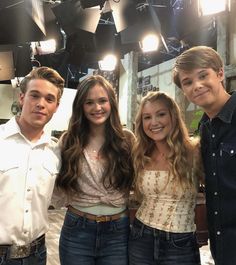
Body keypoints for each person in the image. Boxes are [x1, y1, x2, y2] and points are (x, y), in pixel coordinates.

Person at [55, 75, 134, 265]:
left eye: (102, 101)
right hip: (77, 230)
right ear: (81, 106)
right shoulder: (68, 141)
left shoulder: (127, 140)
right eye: (89, 102)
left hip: (118, 231)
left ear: (111, 103)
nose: (97, 108)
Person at [173, 45, 236, 265]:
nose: (196, 86)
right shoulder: (205, 129)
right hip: (223, 249)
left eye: (203, 75)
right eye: (187, 82)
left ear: (220, 73)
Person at [129, 91, 203, 265]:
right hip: (141, 237)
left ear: (173, 116)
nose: (154, 122)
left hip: (180, 243)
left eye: (161, 114)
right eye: (147, 117)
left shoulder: (195, 150)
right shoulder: (140, 153)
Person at [0, 66, 64, 265]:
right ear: (21, 98)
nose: (41, 104)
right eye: (34, 96)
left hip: (37, 255)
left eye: (49, 99)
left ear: (56, 106)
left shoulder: (56, 152)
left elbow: (60, 199)